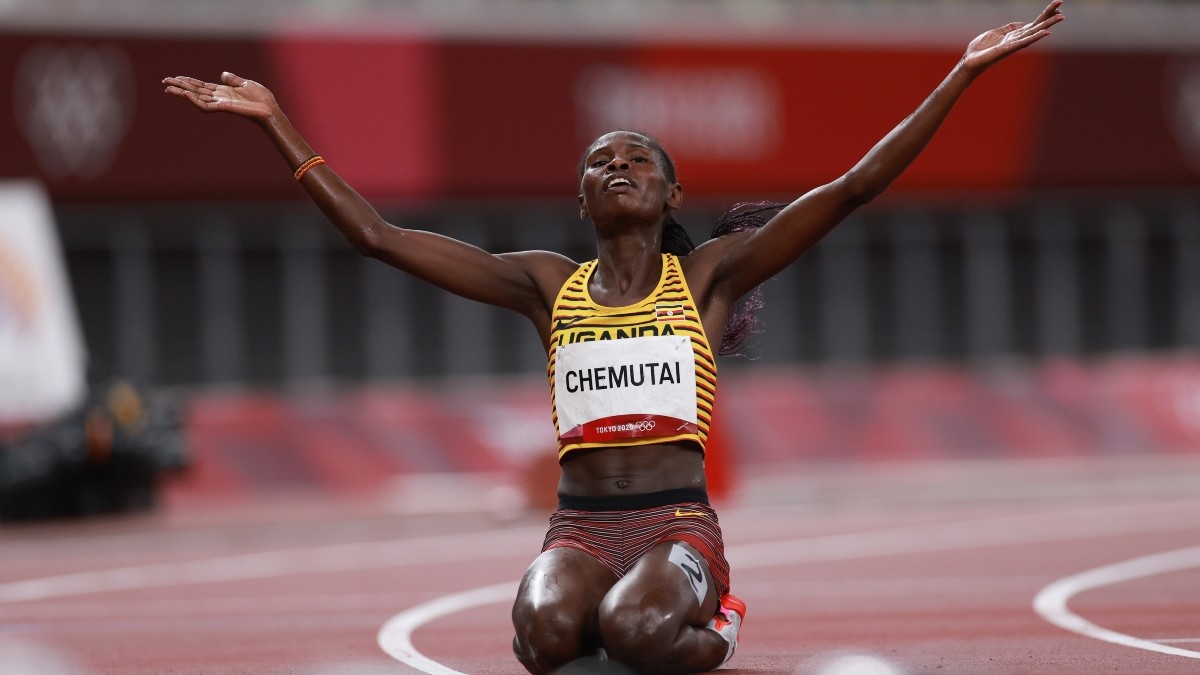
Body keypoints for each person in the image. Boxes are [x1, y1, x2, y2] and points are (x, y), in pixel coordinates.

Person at [163, 3, 1063, 672]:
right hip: (580, 527)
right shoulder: (545, 285)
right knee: (541, 637)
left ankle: (715, 619)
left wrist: (962, 75)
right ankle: (616, 610)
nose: (618, 166)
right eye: (601, 161)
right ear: (583, 198)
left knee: (636, 633)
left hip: (676, 523)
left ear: (671, 196)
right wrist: (277, 123)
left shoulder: (707, 276)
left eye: (638, 159)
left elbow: (854, 186)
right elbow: (378, 237)